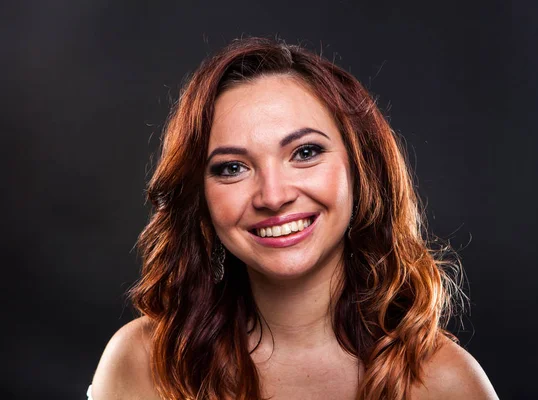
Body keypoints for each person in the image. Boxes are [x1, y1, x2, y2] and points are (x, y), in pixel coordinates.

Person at [89, 36, 499, 400]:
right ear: (200, 196)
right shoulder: (142, 361)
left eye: (305, 153)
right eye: (232, 167)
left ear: (362, 168)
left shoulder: (446, 383)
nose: (273, 196)